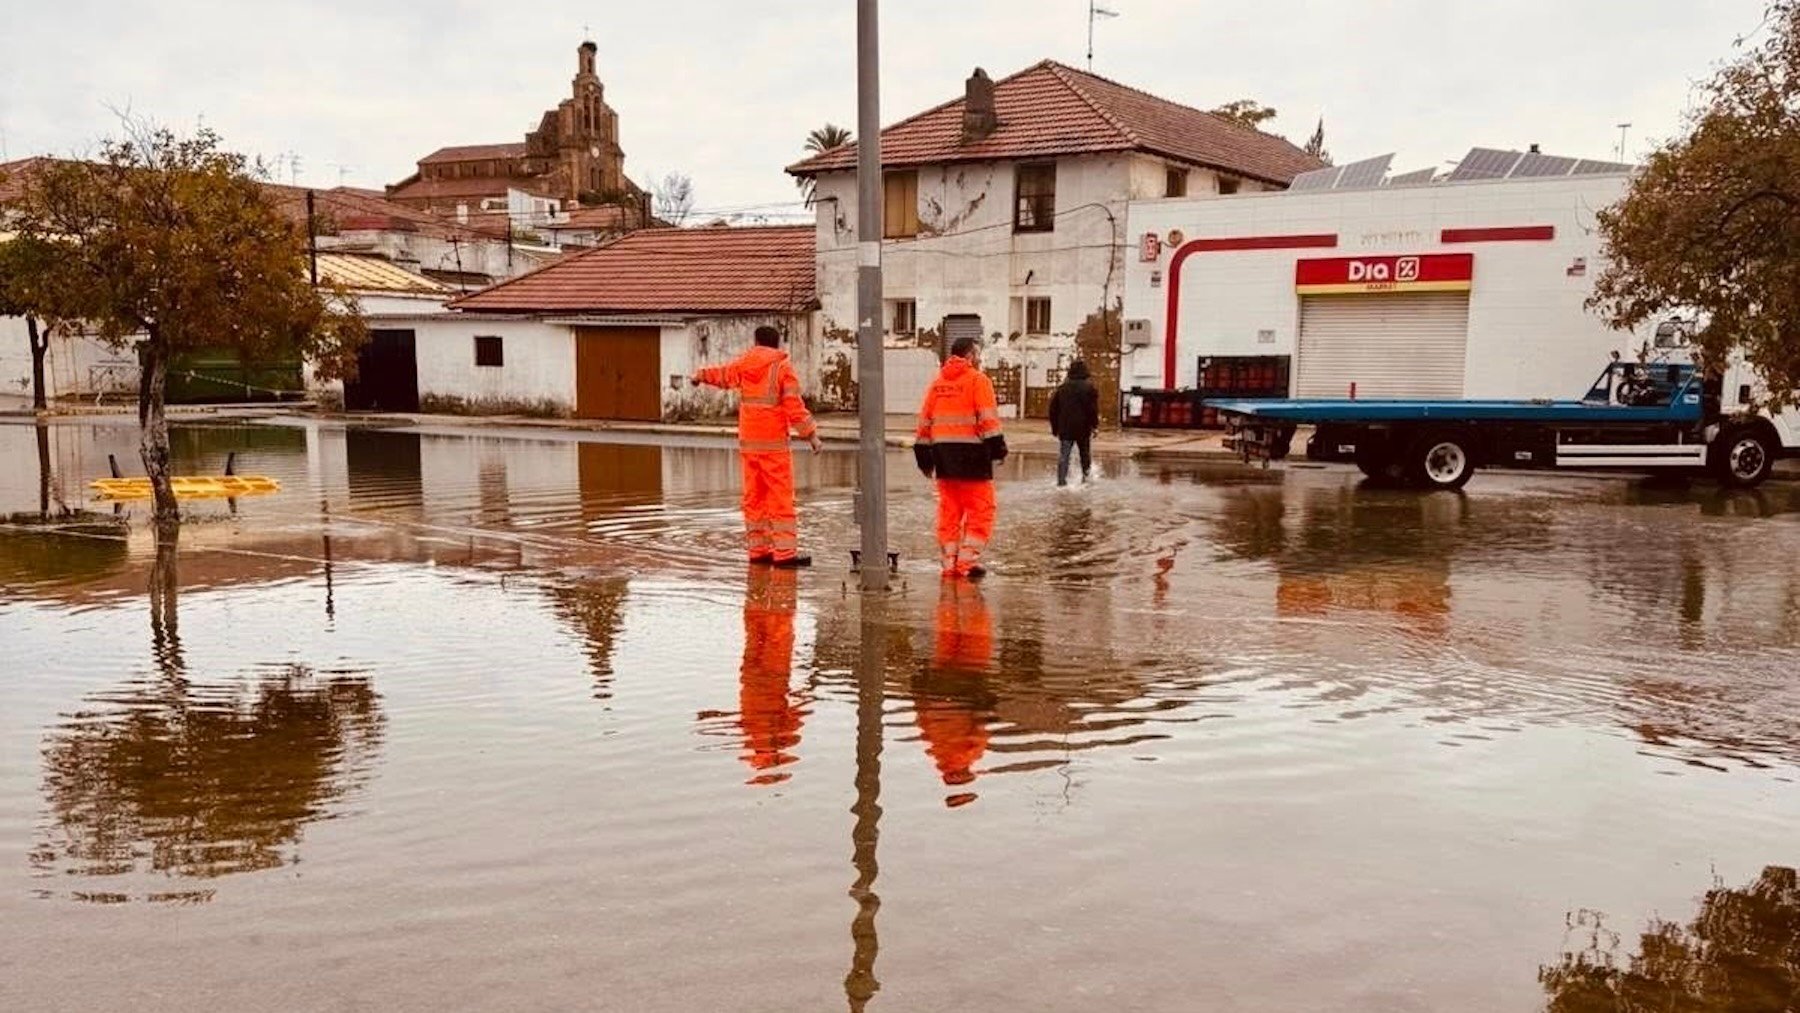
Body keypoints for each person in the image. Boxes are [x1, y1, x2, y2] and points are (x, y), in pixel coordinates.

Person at [693, 326, 824, 567]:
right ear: (777, 344)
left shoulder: (744, 364)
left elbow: (722, 375)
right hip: (774, 446)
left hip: (749, 445)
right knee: (780, 499)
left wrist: (700, 375)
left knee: (754, 499)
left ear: (756, 341)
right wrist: (811, 435)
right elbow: (794, 407)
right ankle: (785, 555)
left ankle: (759, 551)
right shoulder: (782, 368)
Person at [914, 337, 1007, 579]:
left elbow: (924, 424)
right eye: (977, 354)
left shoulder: (937, 385)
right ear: (970, 356)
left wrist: (924, 458)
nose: (979, 358)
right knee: (981, 512)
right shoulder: (978, 381)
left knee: (949, 514)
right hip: (973, 459)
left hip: (944, 459)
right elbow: (988, 421)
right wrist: (998, 450)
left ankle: (949, 564)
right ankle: (966, 563)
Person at [1048, 359, 1100, 486]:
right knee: (1085, 455)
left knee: (1064, 456)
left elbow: (1053, 409)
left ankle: (1061, 482)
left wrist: (1055, 428)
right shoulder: (1089, 388)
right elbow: (1092, 410)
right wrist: (1094, 426)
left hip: (1065, 428)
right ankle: (1086, 480)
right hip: (1083, 428)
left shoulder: (1062, 389)